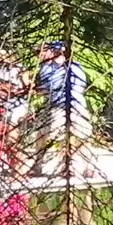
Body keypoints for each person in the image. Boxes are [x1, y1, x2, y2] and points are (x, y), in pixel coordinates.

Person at [35, 40, 92, 172]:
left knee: (82, 136)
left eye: (42, 51)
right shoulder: (45, 68)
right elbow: (45, 89)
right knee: (44, 135)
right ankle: (42, 164)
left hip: (75, 105)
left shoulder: (74, 66)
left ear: (53, 51)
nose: (39, 55)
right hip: (54, 106)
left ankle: (88, 167)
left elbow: (80, 85)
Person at [0, 54, 29, 171]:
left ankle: (18, 168)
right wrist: (2, 89)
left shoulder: (19, 70)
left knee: (13, 138)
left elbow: (25, 88)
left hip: (15, 108)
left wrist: (13, 88)